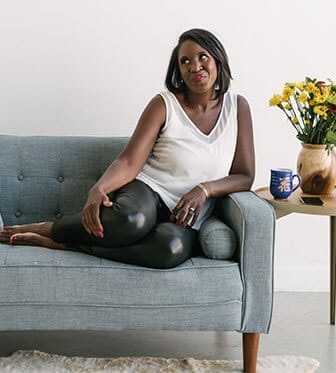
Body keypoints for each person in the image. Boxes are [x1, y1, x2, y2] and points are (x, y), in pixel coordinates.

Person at [0, 28, 255, 269]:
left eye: (202, 57)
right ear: (177, 69)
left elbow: (245, 175)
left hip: (188, 215)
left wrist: (205, 190)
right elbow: (130, 161)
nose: (195, 66)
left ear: (217, 59)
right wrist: (99, 188)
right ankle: (50, 228)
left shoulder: (237, 107)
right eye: (185, 61)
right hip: (150, 192)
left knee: (170, 248)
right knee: (132, 221)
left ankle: (66, 245)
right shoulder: (164, 104)